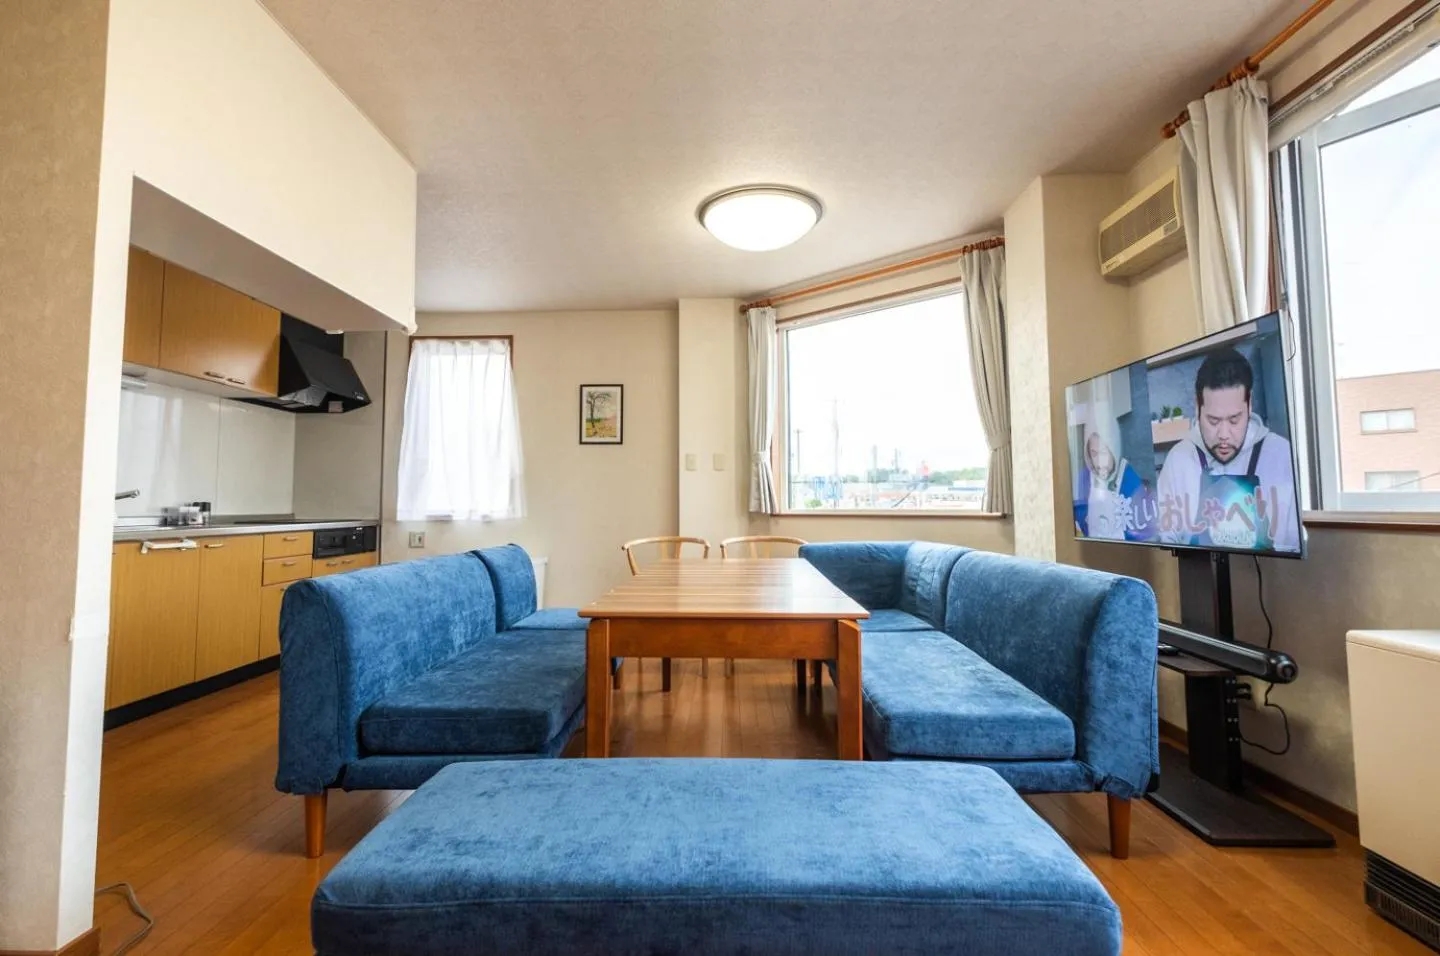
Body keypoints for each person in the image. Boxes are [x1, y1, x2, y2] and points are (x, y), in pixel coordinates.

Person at [1156, 347, 1300, 552]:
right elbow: (1165, 538)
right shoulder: (1178, 459)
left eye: (1234, 419)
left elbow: (1294, 546)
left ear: (1249, 404)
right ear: (1197, 406)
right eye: (1213, 420)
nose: (1224, 434)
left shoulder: (1280, 454)